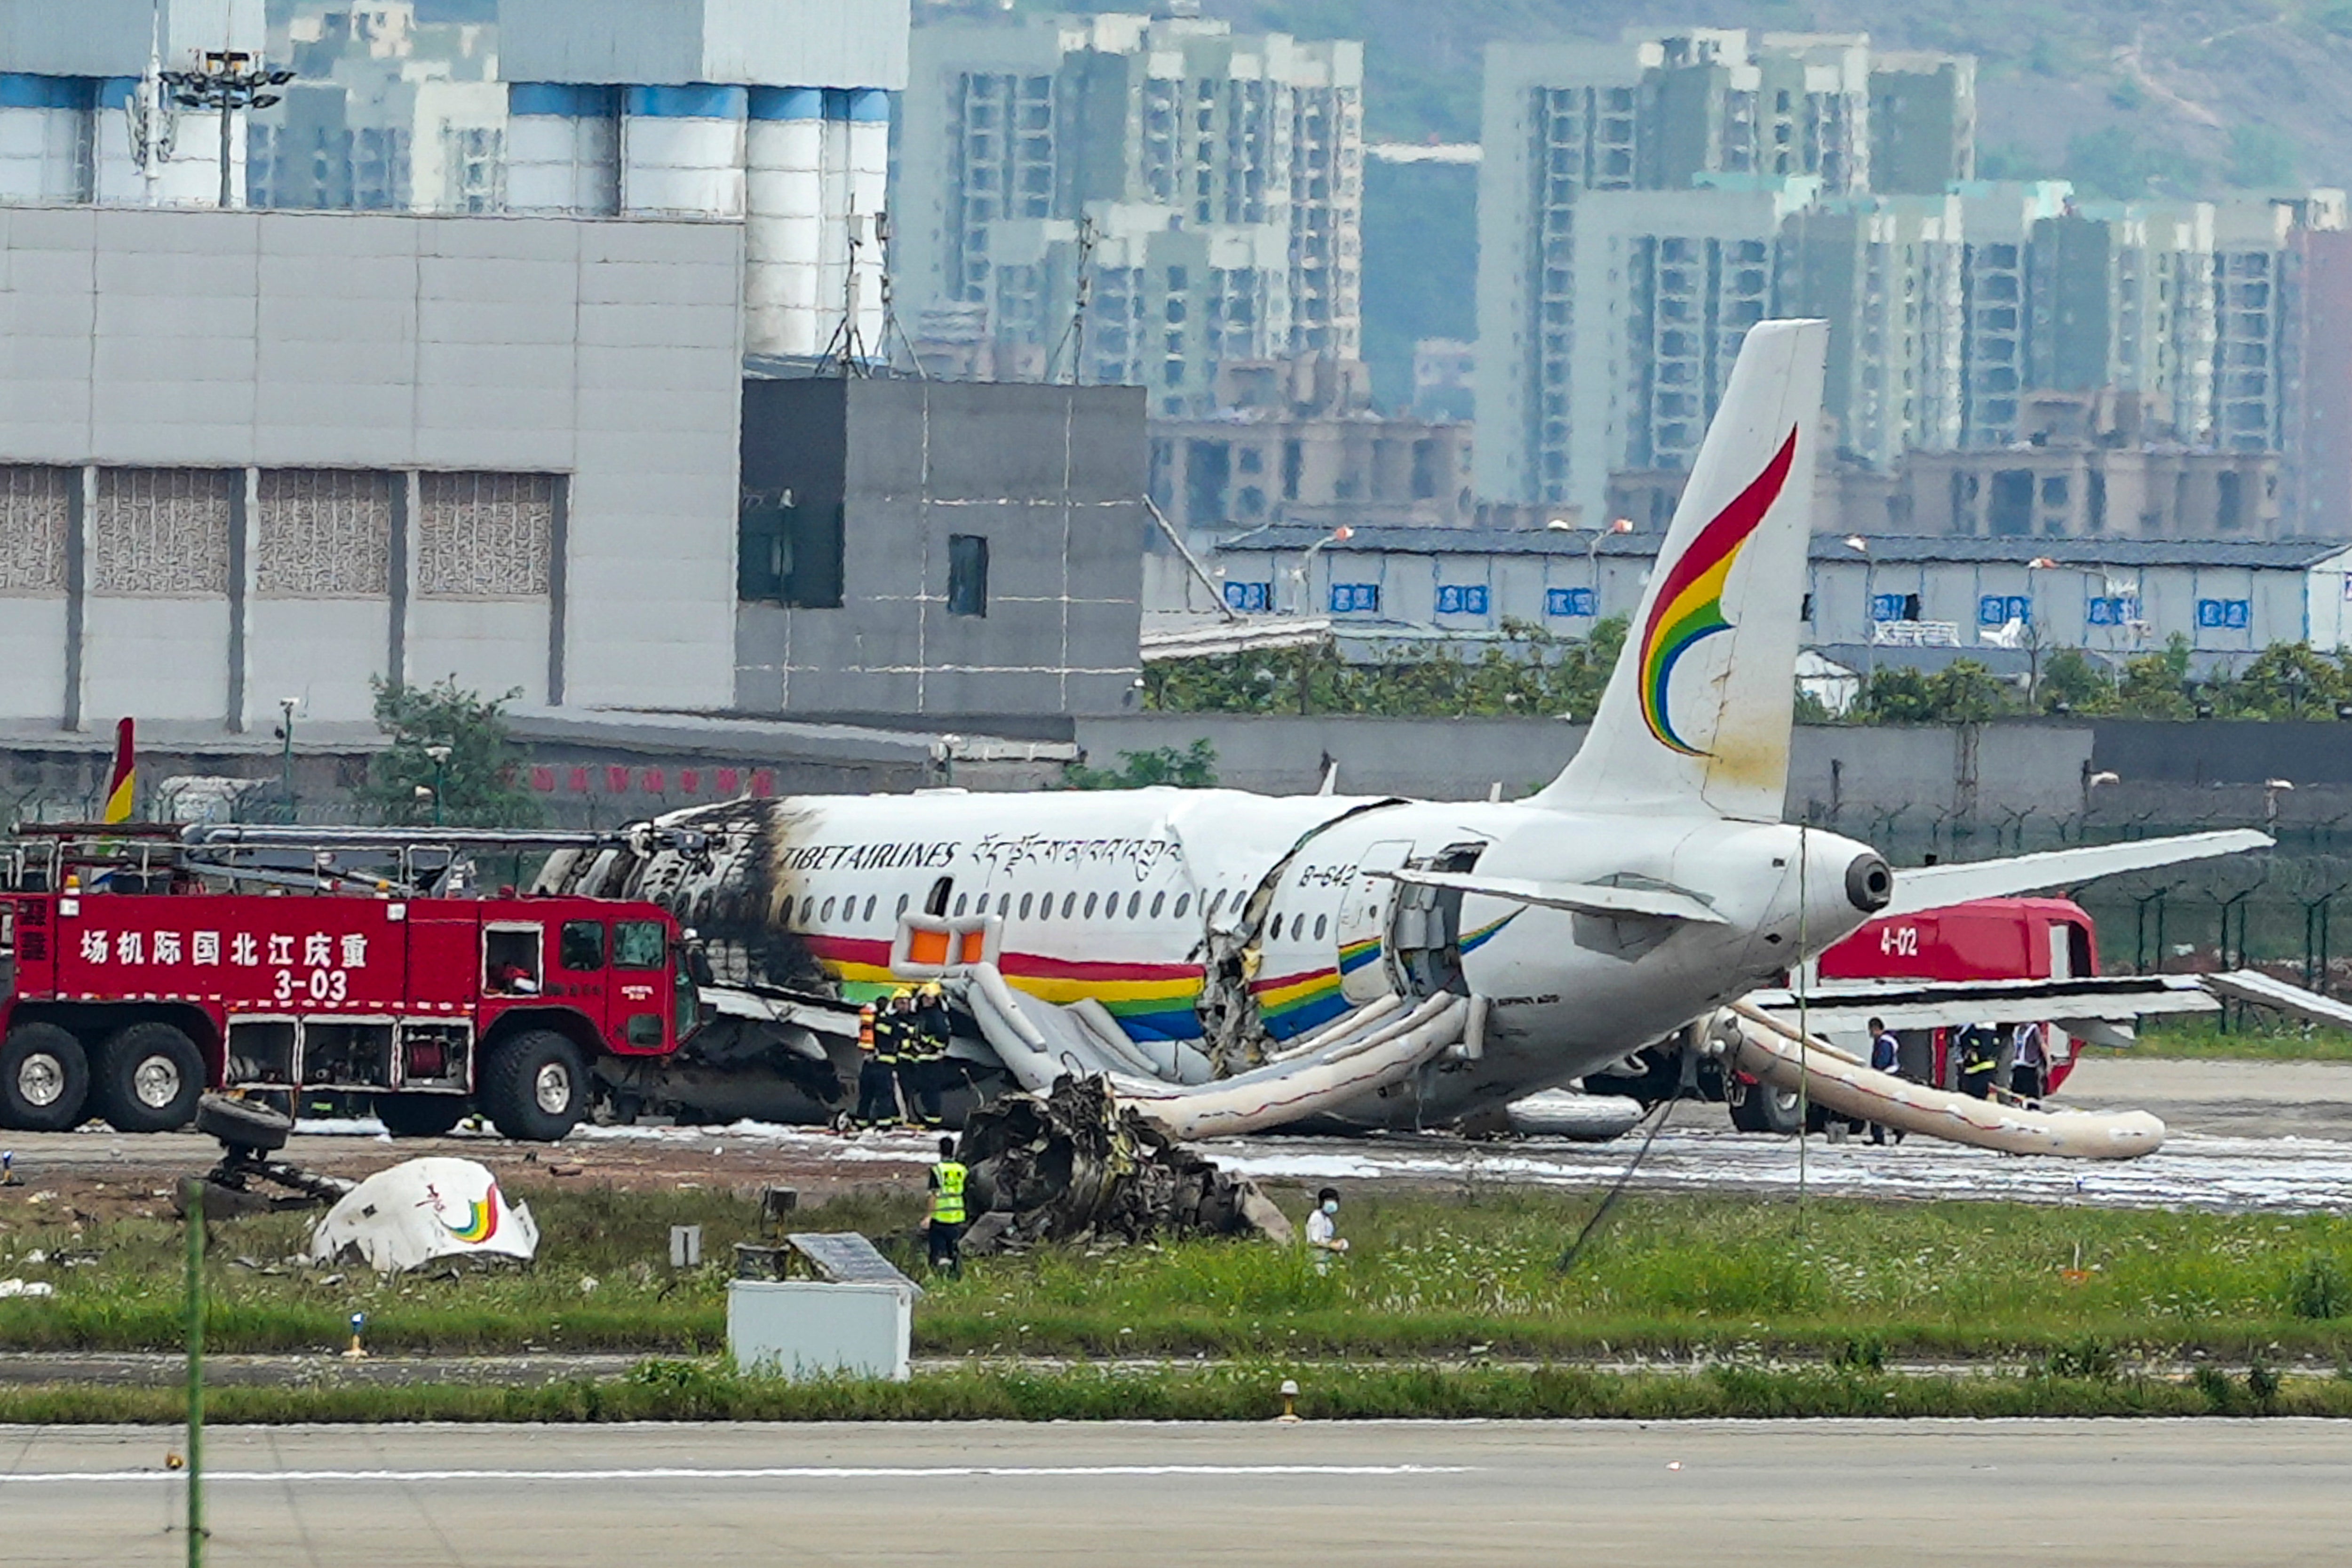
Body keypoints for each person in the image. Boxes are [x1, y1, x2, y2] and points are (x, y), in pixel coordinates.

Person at [907, 981, 952, 1127]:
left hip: (932, 1060)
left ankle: (933, 1122)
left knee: (931, 1092)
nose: (927, 1001)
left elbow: (943, 1035)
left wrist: (931, 1047)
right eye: (925, 998)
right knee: (926, 1092)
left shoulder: (935, 1015)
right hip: (924, 1059)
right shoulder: (923, 1015)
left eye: (930, 999)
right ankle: (929, 1120)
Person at [926, 1135, 967, 1278]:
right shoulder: (962, 1170)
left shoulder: (937, 1170)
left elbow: (934, 1195)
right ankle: (955, 1275)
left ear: (940, 1150)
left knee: (937, 1249)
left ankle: (938, 1273)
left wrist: (929, 1216)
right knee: (954, 1250)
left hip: (940, 1217)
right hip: (958, 1216)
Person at [853, 1000, 898, 1129]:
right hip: (884, 1065)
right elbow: (898, 1036)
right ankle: (884, 1125)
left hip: (868, 1063)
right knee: (884, 1096)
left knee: (866, 1096)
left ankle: (861, 1123)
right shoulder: (888, 1022)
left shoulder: (868, 1023)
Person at [1866, 1016, 1906, 1146]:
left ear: (1876, 1029)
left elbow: (1882, 1062)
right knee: (1884, 1108)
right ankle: (1895, 1131)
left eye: (1871, 1029)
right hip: (1888, 1076)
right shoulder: (1886, 1041)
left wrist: (1876, 1072)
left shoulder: (1884, 1043)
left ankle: (1882, 1135)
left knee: (1877, 1108)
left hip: (1885, 1077)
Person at [1304, 1186, 1349, 1268]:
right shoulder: (1316, 1217)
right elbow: (1314, 1242)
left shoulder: (1327, 1219)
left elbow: (1326, 1238)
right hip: (1317, 1258)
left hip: (1325, 1257)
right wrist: (1332, 1246)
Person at [1957, 1021, 2002, 1100]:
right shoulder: (1989, 1033)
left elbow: (1983, 1052)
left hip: (1979, 1074)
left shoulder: (1983, 1033)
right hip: (1977, 1072)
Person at [2010, 1019, 2048, 1100]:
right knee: (2026, 1092)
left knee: (2024, 1091)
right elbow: (2042, 1045)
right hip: (2023, 1064)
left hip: (2023, 1064)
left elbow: (2042, 1045)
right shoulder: (2024, 1029)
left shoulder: (2026, 1029)